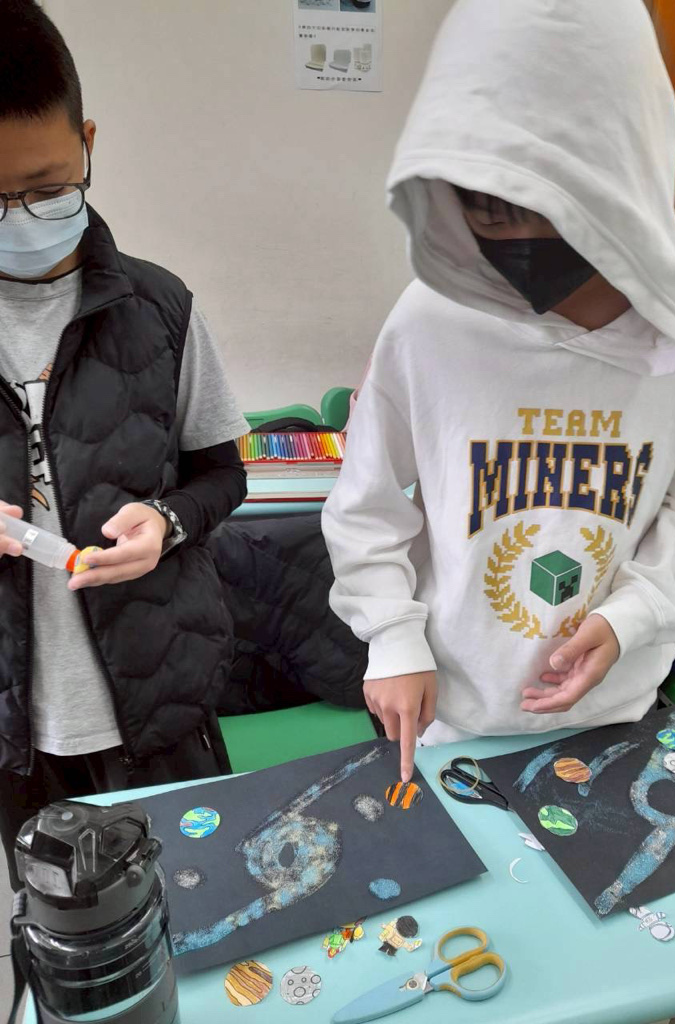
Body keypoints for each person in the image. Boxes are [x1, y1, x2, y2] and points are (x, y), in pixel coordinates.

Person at [322, 0, 675, 783]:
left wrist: (631, 616)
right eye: (487, 211)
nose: (519, 242)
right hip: (451, 706)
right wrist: (391, 636)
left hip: (617, 701)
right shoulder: (430, 317)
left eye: (557, 210)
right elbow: (367, 504)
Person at [0, 0, 248, 887]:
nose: (21, 217)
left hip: (159, 700)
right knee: (64, 922)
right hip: (17, 731)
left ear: (87, 143)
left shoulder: (160, 309)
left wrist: (168, 523)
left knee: (198, 899)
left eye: (45, 187)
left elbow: (222, 475)